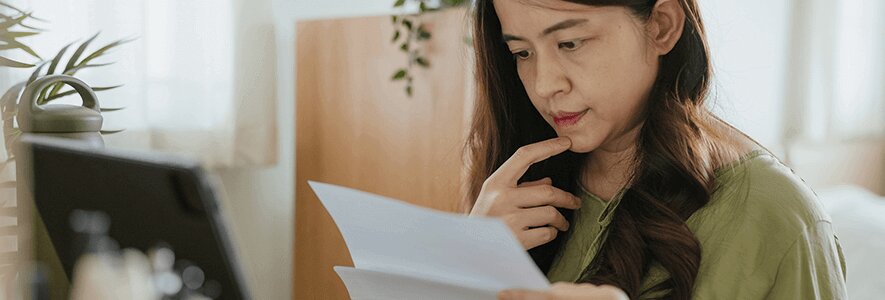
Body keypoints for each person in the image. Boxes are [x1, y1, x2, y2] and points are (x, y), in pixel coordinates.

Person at [463, 0, 848, 299]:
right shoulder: (514, 189)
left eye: (569, 43)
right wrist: (468, 258)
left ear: (662, 26)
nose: (545, 84)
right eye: (522, 53)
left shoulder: (777, 215)